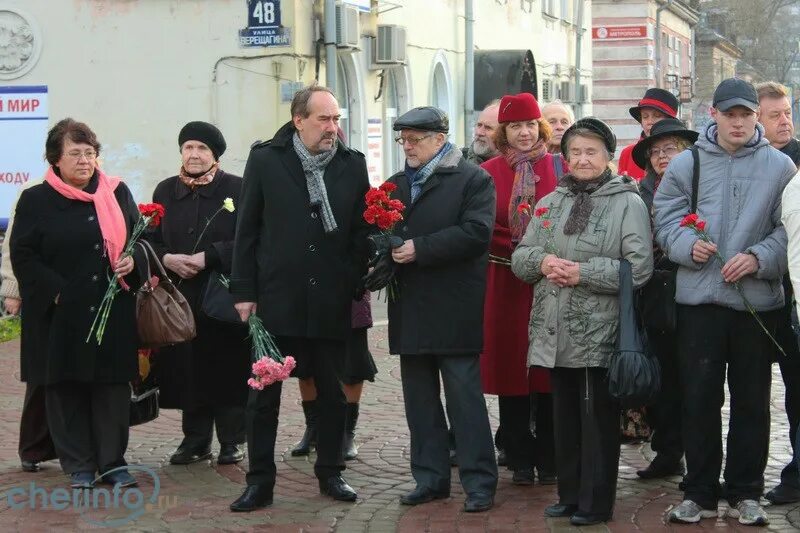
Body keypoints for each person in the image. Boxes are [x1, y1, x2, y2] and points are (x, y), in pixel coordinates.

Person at [655, 78, 796, 526]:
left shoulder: (780, 168)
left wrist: (758, 257)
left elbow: (788, 230)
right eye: (729, 114)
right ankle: (699, 492)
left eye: (747, 114)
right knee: (698, 399)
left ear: (757, 116)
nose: (738, 122)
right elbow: (666, 217)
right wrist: (684, 245)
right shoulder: (688, 163)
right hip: (699, 301)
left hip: (756, 303)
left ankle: (745, 492)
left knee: (752, 401)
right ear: (712, 114)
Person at [229, 86, 370, 511]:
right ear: (298, 120)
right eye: (324, 119)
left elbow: (360, 232)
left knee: (331, 393)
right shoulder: (266, 159)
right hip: (276, 298)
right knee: (263, 397)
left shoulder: (352, 164)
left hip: (329, 298)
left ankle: (331, 473)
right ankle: (259, 482)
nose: (333, 127)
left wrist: (354, 274)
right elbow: (247, 229)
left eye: (336, 118)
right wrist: (244, 291)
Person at [511, 117, 653, 526]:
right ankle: (569, 495)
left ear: (608, 155)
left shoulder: (627, 201)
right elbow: (522, 257)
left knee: (596, 424)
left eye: (591, 151)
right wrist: (543, 261)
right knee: (564, 420)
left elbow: (639, 268)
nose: (582, 159)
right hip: (553, 329)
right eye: (575, 151)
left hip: (598, 332)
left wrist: (582, 273)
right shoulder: (551, 201)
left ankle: (595, 502)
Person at [364, 106, 498, 512]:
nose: (407, 147)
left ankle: (479, 483)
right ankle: (430, 477)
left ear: (440, 140)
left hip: (454, 305)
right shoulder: (396, 183)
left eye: (415, 140)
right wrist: (381, 250)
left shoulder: (474, 179)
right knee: (419, 400)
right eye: (403, 140)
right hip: (411, 306)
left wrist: (418, 249)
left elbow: (477, 234)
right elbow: (377, 229)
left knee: (464, 400)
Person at [10, 118, 142, 489]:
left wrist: (134, 262)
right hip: (59, 314)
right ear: (55, 159)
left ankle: (113, 463)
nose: (85, 161)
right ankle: (79, 464)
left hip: (111, 308)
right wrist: (57, 292)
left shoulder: (117, 192)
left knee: (111, 389)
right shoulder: (36, 199)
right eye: (75, 154)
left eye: (90, 153)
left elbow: (141, 241)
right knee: (65, 388)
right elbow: (23, 253)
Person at [146, 121, 249, 467]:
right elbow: (149, 240)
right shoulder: (165, 191)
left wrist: (211, 256)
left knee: (228, 366)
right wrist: (167, 259)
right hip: (181, 297)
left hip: (222, 297)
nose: (194, 154)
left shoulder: (237, 188)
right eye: (188, 147)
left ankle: (232, 440)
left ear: (215, 155)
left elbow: (251, 241)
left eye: (202, 148)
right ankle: (195, 440)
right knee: (187, 368)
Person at [479, 92, 561, 485]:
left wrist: (542, 253)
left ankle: (550, 455)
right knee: (512, 367)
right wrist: (520, 248)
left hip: (549, 282)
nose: (524, 133)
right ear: (504, 132)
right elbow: (482, 225)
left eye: (530, 124)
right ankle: (518, 454)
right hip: (506, 280)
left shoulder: (559, 167)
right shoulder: (489, 172)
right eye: (516, 126)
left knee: (547, 369)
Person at [631, 118, 698, 479]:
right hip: (655, 293)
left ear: (686, 152)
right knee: (663, 377)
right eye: (654, 152)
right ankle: (668, 450)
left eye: (668, 149)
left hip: (694, 287)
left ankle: (698, 456)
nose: (661, 157)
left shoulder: (701, 187)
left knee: (697, 380)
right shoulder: (641, 193)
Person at [756, 81, 800, 505]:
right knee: (792, 389)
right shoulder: (755, 164)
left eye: (787, 112)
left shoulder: (798, 161)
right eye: (774, 115)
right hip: (773, 295)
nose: (784, 120)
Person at [1, 179, 57, 473]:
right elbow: (15, 242)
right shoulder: (33, 191)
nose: (86, 160)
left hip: (83, 295)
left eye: (90, 154)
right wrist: (13, 289)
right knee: (41, 374)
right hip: (39, 291)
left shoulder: (102, 189)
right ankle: (34, 447)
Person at [291, 292, 377, 461]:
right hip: (307, 287)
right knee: (306, 362)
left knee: (353, 360)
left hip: (349, 288)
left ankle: (346, 433)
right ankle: (313, 429)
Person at [617, 88, 680, 180]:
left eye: (657, 116)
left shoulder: (682, 152)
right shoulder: (628, 153)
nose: (650, 122)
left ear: (669, 121)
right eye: (645, 117)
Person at [462, 101, 501, 165]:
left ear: (504, 134)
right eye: (479, 125)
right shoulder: (456, 161)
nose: (479, 132)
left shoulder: (518, 168)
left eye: (488, 127)